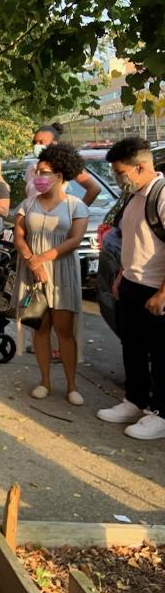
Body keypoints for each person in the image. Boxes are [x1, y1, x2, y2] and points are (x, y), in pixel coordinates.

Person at [97, 137, 165, 440]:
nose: (117, 177)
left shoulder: (161, 196)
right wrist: (122, 274)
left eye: (120, 172)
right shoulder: (134, 196)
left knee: (161, 353)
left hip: (156, 289)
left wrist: (163, 292)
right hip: (132, 285)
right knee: (132, 347)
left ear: (140, 167)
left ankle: (161, 413)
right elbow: (133, 240)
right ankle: (135, 400)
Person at [13, 142, 89, 406]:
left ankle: (71, 385)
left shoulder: (75, 206)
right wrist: (31, 262)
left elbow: (75, 240)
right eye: (37, 172)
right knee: (40, 327)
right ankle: (44, 381)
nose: (38, 177)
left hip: (61, 272)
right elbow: (19, 235)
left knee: (64, 330)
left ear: (59, 175)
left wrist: (42, 260)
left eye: (44, 172)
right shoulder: (28, 204)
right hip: (32, 274)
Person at [27, 123, 101, 206]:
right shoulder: (31, 167)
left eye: (41, 142)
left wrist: (77, 212)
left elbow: (94, 188)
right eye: (35, 142)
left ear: (54, 143)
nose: (37, 146)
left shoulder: (63, 165)